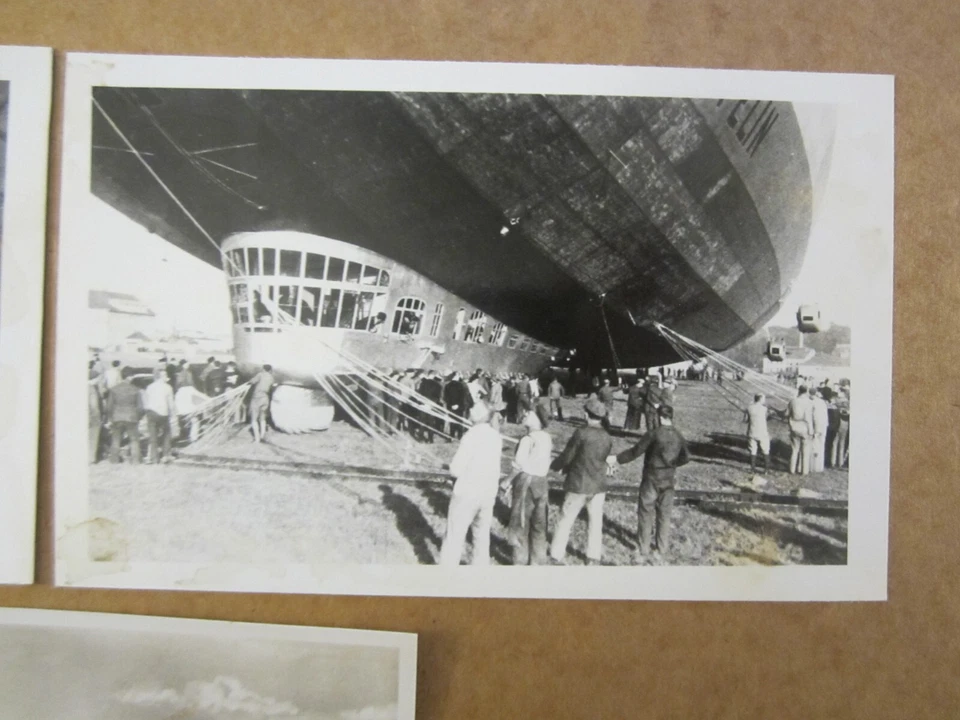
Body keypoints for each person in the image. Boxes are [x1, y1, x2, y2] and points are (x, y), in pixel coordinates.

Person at [608, 404, 690, 562]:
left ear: (659, 417)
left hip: (651, 478)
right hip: (668, 479)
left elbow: (635, 452)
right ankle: (661, 549)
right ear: (671, 417)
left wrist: (617, 459)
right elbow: (686, 457)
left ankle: (643, 548)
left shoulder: (653, 434)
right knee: (664, 515)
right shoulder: (679, 435)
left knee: (645, 512)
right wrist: (672, 465)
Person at [548, 397, 613, 565]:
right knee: (595, 521)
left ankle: (556, 554)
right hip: (598, 485)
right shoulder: (606, 436)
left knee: (566, 519)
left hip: (579, 484)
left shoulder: (581, 433)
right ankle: (593, 557)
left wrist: (555, 465)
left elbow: (568, 456)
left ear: (586, 414)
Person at [439, 402, 503, 566]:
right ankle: (480, 572)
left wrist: (452, 472)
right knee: (481, 536)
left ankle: (447, 572)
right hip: (488, 492)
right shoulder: (495, 436)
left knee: (455, 535)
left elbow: (456, 469)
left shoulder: (470, 435)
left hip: (467, 492)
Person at [501, 406, 553, 565]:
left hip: (526, 482)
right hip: (542, 483)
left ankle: (520, 560)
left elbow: (518, 465)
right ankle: (538, 560)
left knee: (520, 522)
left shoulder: (527, 440)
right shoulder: (546, 437)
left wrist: (507, 481)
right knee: (539, 524)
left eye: (528, 413)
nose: (524, 415)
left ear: (537, 418)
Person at [105, 367, 143, 464]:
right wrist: (138, 417)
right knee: (134, 439)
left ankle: (114, 459)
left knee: (116, 439)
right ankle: (135, 460)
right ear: (130, 377)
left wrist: (110, 418)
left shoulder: (114, 389)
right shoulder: (136, 390)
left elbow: (109, 406)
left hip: (117, 416)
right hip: (131, 416)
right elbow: (140, 407)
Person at [143, 368, 176, 463]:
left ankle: (153, 457)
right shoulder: (168, 387)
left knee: (153, 436)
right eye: (165, 375)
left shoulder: (149, 387)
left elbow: (147, 400)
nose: (167, 377)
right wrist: (173, 415)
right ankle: (166, 455)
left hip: (151, 412)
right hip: (163, 413)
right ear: (161, 377)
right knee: (166, 434)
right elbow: (171, 403)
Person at [787, 385, 814, 475]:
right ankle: (804, 471)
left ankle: (792, 469)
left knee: (794, 449)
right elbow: (809, 417)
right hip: (805, 426)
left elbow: (787, 413)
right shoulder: (809, 402)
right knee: (805, 451)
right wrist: (811, 430)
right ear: (806, 392)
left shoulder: (792, 401)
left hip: (794, 426)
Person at [743, 393, 771, 475]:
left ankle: (752, 469)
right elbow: (767, 418)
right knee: (766, 450)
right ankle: (766, 470)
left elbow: (745, 420)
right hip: (762, 433)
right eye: (764, 399)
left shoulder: (749, 408)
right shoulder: (764, 409)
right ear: (760, 399)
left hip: (752, 432)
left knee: (753, 451)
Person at [248, 363, 275, 443]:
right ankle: (262, 436)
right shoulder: (271, 377)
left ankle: (257, 439)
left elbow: (252, 381)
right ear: (270, 370)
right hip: (265, 398)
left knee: (254, 419)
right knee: (263, 418)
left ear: (263, 369)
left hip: (257, 397)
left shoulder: (260, 374)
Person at [810, 388, 830, 472]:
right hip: (824, 425)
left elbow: (814, 416)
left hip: (817, 426)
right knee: (821, 446)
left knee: (814, 446)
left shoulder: (813, 403)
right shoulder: (822, 402)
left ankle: (812, 465)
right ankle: (819, 466)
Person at [88, 379, 103, 463]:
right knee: (93, 438)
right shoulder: (92, 389)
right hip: (92, 416)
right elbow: (94, 406)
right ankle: (91, 458)